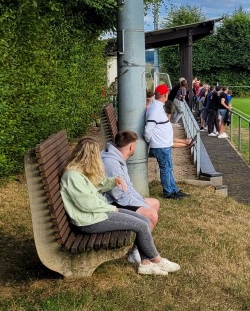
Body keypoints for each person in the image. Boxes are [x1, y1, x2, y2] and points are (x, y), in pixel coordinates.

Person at [60, 137, 180, 275]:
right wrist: (112, 209)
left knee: (145, 221)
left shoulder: (79, 172)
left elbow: (96, 185)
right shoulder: (72, 177)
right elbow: (88, 205)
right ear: (90, 156)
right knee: (141, 225)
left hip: (98, 214)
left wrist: (113, 181)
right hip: (89, 221)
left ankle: (146, 264)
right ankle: (157, 260)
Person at [145, 84, 189, 199]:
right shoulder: (155, 109)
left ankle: (174, 189)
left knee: (169, 168)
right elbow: (148, 130)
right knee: (165, 168)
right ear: (165, 95)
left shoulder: (157, 107)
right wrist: (151, 141)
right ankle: (168, 192)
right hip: (160, 145)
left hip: (163, 144)